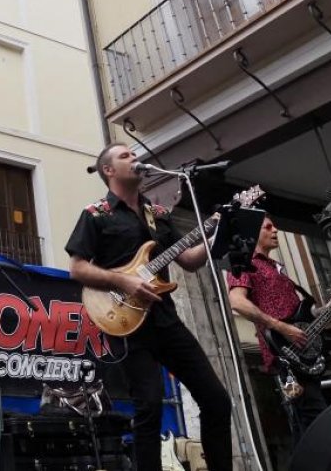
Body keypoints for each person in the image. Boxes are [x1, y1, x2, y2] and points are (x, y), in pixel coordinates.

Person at [65, 143, 233, 471]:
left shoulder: (158, 214)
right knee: (150, 406)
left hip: (165, 317)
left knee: (216, 399)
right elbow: (77, 268)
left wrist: (217, 233)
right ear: (109, 171)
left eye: (134, 154)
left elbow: (187, 260)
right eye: (126, 156)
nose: (135, 159)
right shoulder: (96, 214)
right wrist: (124, 282)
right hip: (125, 320)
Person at [226, 215, 331, 444]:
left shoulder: (276, 268)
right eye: (268, 227)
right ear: (254, 233)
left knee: (310, 424)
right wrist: (280, 327)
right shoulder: (244, 263)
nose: (275, 230)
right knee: (316, 420)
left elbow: (303, 315)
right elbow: (237, 301)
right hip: (284, 355)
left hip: (304, 351)